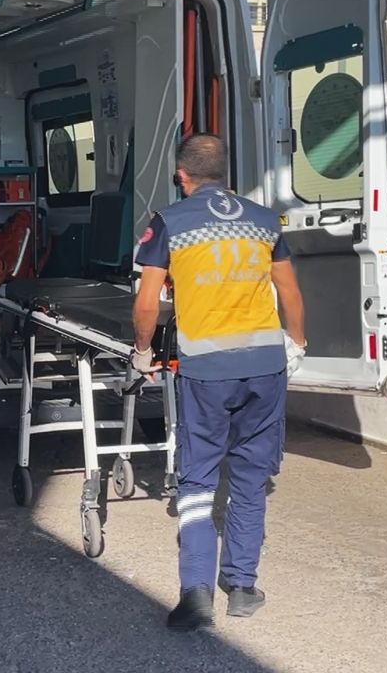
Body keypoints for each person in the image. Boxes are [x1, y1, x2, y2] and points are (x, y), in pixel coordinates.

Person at [131, 134, 307, 632]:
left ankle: (196, 593)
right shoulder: (264, 219)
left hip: (207, 371)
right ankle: (243, 587)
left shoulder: (169, 221)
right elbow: (289, 291)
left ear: (180, 176)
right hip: (265, 367)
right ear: (225, 173)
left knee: (198, 479)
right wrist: (297, 343)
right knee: (251, 476)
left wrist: (143, 351)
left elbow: (147, 302)